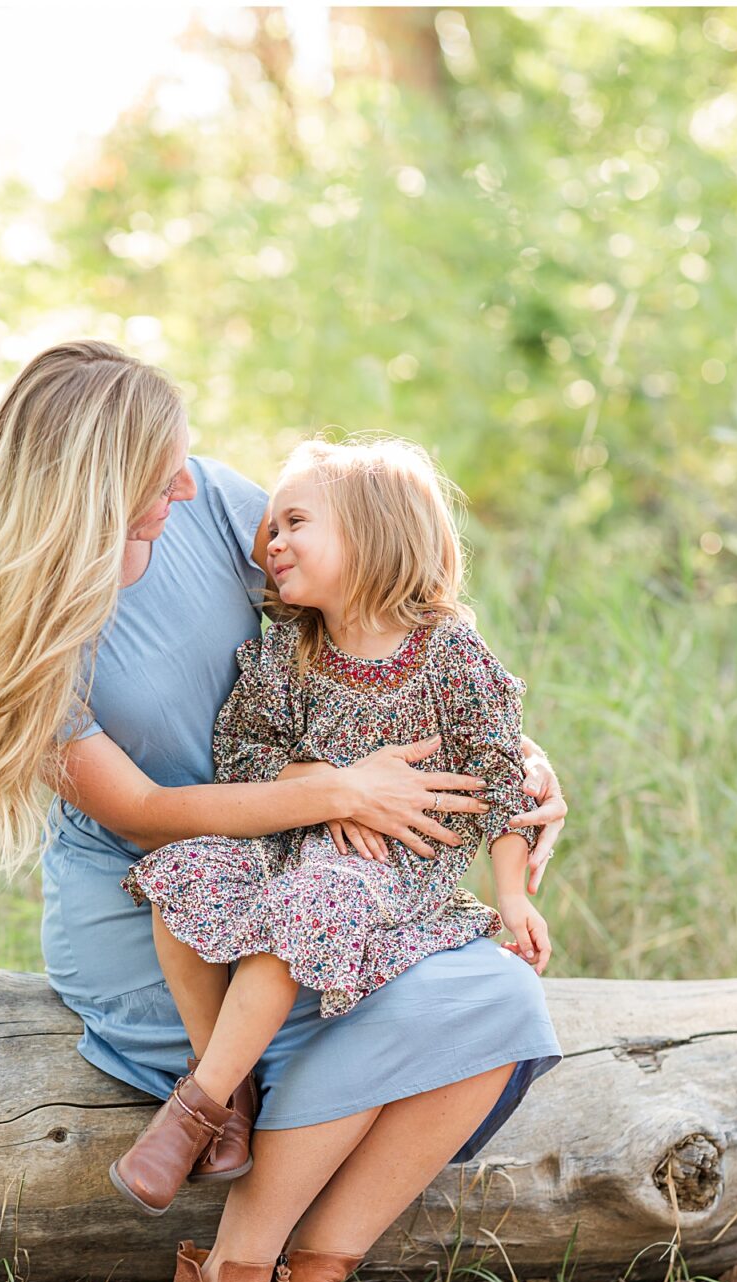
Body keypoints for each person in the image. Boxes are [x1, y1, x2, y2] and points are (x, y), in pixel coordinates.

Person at [0, 340, 565, 1282]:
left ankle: (312, 1281)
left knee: (500, 1002)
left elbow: (367, 614)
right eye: (158, 475)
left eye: (184, 465)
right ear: (85, 486)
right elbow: (140, 809)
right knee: (365, 1024)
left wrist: (514, 764)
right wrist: (334, 791)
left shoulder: (210, 496)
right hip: (156, 905)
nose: (192, 486)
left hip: (321, 867)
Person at [110, 436, 552, 1221]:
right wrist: (328, 786)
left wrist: (511, 896)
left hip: (391, 868)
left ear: (372, 531)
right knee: (183, 873)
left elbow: (502, 775)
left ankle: (192, 1112)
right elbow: (243, 754)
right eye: (270, 527)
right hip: (290, 844)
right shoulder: (291, 649)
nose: (272, 542)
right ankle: (232, 1089)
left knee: (321, 895)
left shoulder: (448, 652)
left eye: (294, 524)